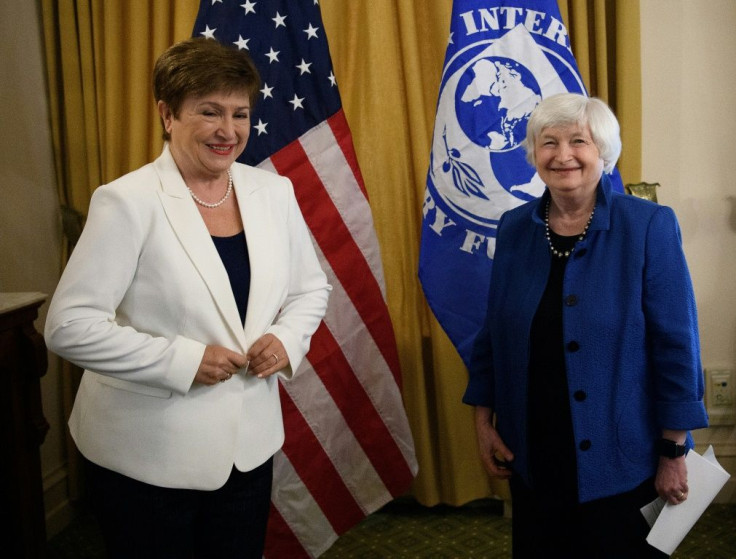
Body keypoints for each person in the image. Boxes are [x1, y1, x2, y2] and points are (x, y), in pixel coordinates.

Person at [44, 38, 331, 558]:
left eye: (240, 113)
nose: (229, 130)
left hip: (248, 449)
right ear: (167, 113)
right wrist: (182, 359)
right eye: (209, 112)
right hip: (147, 455)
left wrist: (288, 339)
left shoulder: (274, 192)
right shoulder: (125, 202)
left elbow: (311, 288)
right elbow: (68, 325)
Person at [463, 93, 708, 557]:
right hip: (534, 451)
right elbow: (492, 334)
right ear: (533, 154)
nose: (563, 155)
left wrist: (674, 452)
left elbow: (677, 346)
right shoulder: (514, 227)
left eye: (579, 141)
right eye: (548, 142)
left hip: (624, 456)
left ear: (604, 153)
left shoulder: (649, 225)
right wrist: (483, 421)